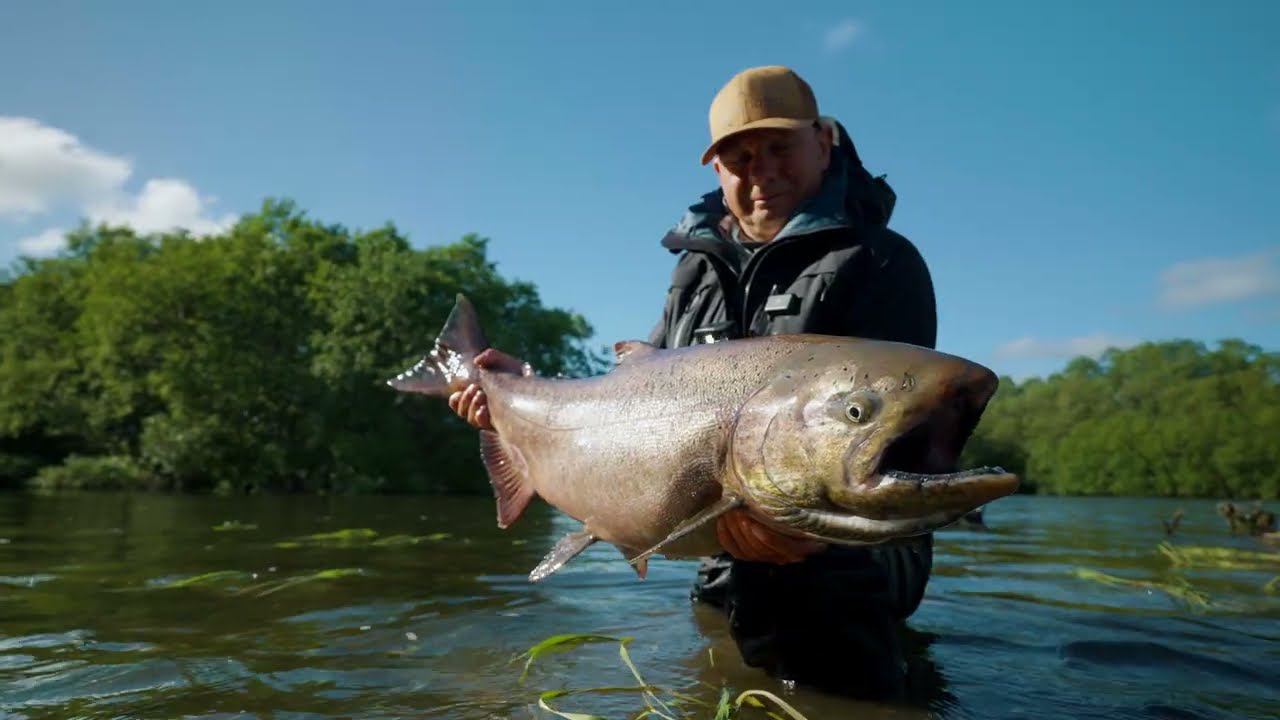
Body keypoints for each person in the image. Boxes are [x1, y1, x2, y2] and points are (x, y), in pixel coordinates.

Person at [449, 65, 938, 694]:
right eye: (740, 157)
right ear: (716, 171)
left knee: (837, 684)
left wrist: (811, 541)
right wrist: (518, 389)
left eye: (780, 147)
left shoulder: (881, 262)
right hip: (722, 548)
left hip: (853, 554)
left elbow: (894, 443)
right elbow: (635, 389)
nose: (762, 171)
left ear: (823, 142)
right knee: (718, 680)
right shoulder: (694, 272)